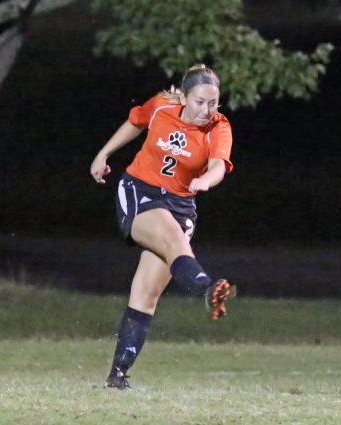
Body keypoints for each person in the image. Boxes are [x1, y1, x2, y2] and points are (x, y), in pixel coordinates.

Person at [89, 64, 236, 390]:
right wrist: (104, 153)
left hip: (181, 205)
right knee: (173, 237)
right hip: (140, 192)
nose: (207, 110)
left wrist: (205, 181)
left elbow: (218, 166)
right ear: (183, 96)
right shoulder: (162, 105)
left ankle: (118, 375)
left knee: (146, 294)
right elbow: (135, 121)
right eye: (199, 102)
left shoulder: (218, 127)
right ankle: (208, 289)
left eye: (213, 103)